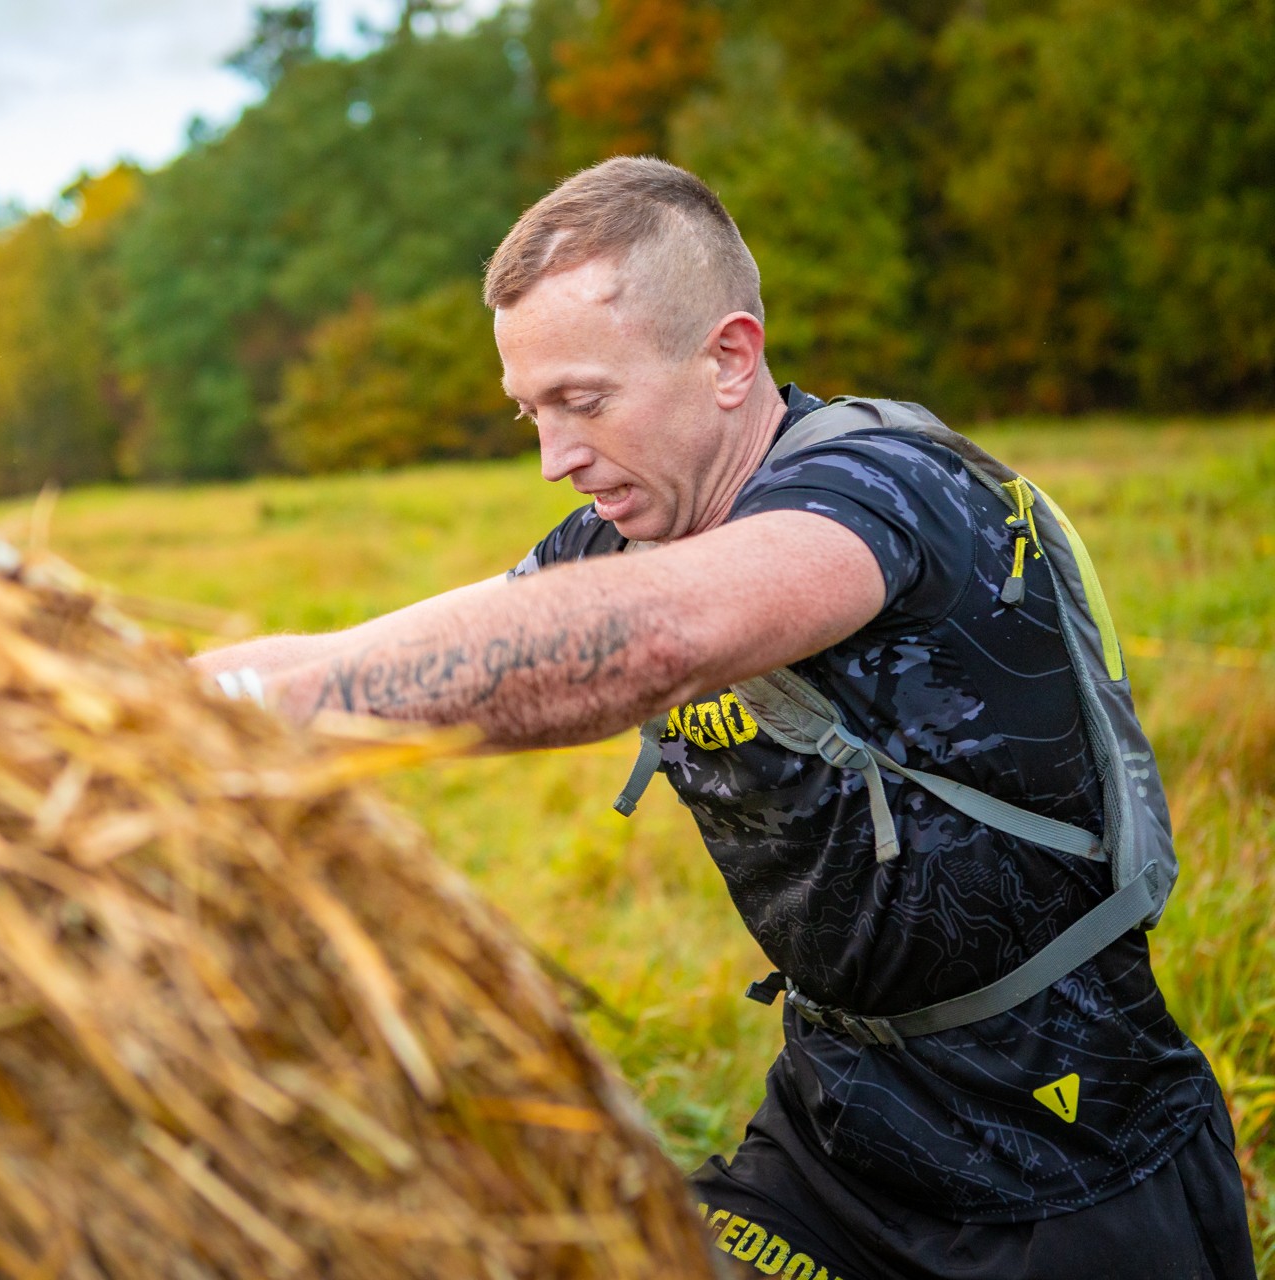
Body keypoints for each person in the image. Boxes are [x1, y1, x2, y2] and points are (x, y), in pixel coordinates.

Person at [191, 157, 1254, 1279]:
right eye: (531, 412)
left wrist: (287, 709)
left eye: (584, 402)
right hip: (838, 1135)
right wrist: (112, 696)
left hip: (1071, 1156)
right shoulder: (628, 529)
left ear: (730, 359)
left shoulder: (886, 487)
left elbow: (665, 634)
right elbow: (353, 653)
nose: (554, 458)